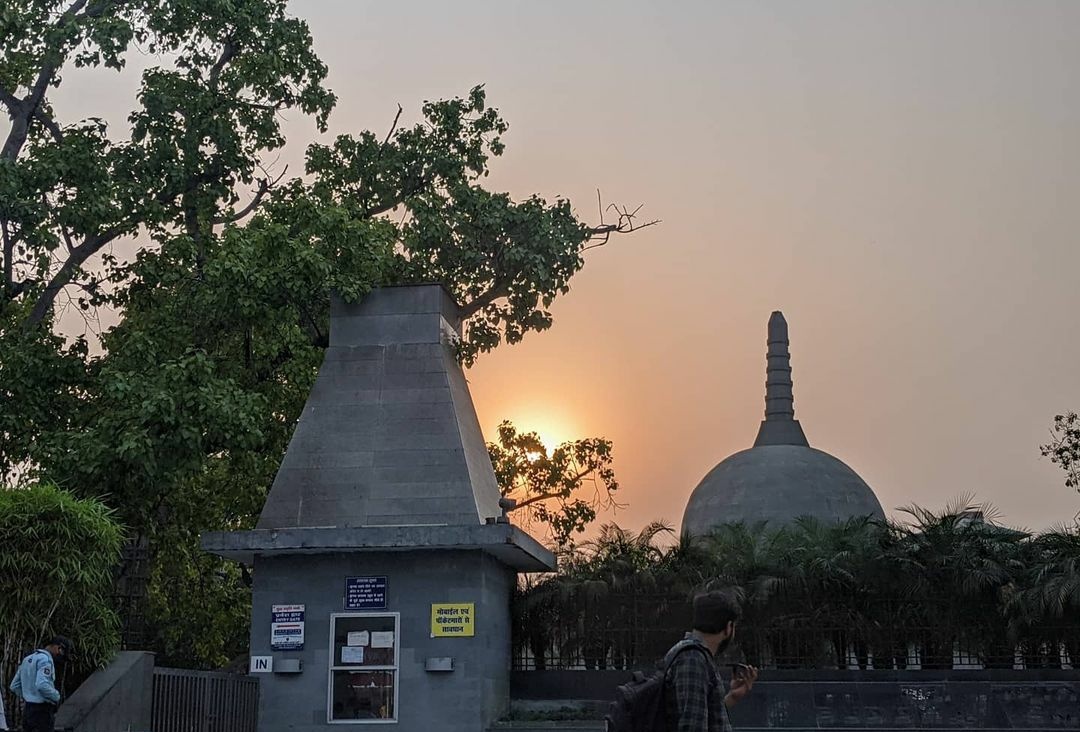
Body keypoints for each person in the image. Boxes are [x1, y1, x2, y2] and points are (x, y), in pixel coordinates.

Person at [665, 591, 758, 732]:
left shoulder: (695, 655)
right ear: (728, 627)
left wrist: (731, 698)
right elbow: (692, 725)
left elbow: (701, 714)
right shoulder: (693, 658)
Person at [9, 637, 73, 732]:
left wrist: (28, 695)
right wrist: (56, 696)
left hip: (28, 711)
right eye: (62, 653)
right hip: (42, 712)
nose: (60, 656)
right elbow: (42, 685)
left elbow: (14, 686)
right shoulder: (45, 660)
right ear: (58, 648)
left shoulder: (27, 659)